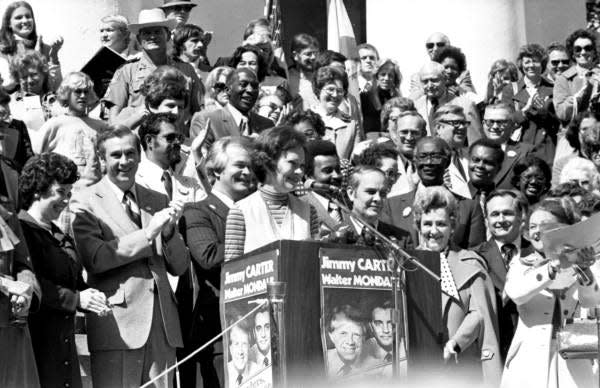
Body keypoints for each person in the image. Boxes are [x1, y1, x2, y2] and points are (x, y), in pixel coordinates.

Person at [70, 127, 189, 388]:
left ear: (139, 156)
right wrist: (149, 234)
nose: (124, 162)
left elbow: (179, 266)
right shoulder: (84, 201)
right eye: (116, 155)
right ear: (102, 160)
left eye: (130, 154)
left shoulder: (157, 199)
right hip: (117, 325)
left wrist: (169, 234)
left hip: (162, 326)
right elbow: (96, 258)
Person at [18, 153, 109, 388]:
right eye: (60, 192)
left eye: (69, 194)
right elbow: (33, 285)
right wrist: (78, 299)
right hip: (36, 345)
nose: (66, 200)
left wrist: (91, 295)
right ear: (38, 189)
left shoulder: (58, 233)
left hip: (63, 347)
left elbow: (73, 280)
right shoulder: (22, 230)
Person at [501, 197, 600, 388]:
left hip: (576, 362)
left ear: (565, 229)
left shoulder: (588, 263)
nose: (537, 231)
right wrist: (554, 265)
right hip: (529, 364)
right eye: (533, 226)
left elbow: (592, 301)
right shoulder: (520, 264)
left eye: (545, 226)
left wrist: (582, 269)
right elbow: (517, 294)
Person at [182, 136, 254, 388]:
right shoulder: (197, 210)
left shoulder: (256, 210)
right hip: (218, 334)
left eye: (251, 166)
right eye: (239, 165)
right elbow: (209, 257)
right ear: (216, 170)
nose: (247, 172)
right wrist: (256, 232)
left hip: (259, 331)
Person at [413, 186, 501, 386]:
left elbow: (479, 314)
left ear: (452, 226)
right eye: (427, 224)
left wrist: (456, 343)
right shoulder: (406, 263)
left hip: (459, 367)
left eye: (441, 224)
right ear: (419, 226)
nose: (433, 231)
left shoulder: (470, 263)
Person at [224, 126, 319, 260]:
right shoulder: (241, 211)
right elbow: (232, 271)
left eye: (302, 166)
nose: (299, 172)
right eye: (292, 163)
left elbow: (315, 264)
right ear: (268, 162)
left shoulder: (309, 212)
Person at [381, 137, 485, 250]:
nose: (429, 162)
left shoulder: (469, 207)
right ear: (415, 161)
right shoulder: (391, 206)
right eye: (423, 156)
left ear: (448, 161)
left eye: (435, 157)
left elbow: (476, 253)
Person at [103, 8, 203, 124]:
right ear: (139, 39)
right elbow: (113, 121)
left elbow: (199, 113)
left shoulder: (186, 70)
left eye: (157, 32)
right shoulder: (126, 71)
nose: (152, 37)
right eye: (147, 33)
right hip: (139, 139)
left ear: (168, 35)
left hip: (177, 138)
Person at [475, 190, 531, 362]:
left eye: (507, 213)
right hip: (495, 349)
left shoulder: (539, 253)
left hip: (533, 346)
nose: (500, 220)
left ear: (521, 216)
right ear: (486, 221)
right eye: (494, 214)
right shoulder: (474, 257)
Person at [0, 154, 41, 388]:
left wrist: (26, 289)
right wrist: (6, 285)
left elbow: (24, 263)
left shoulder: (5, 211)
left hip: (11, 330)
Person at [39, 72, 108, 190]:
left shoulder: (100, 126)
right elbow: (39, 158)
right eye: (77, 91)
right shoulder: (54, 124)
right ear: (67, 93)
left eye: (86, 92)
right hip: (68, 190)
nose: (82, 96)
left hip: (98, 189)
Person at [190, 68, 273, 155]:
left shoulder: (267, 126)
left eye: (255, 86)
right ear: (227, 90)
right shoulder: (206, 120)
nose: (250, 90)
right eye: (243, 84)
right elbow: (202, 162)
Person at [501, 43, 559, 166]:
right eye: (527, 62)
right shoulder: (511, 89)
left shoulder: (553, 88)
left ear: (542, 64)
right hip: (519, 150)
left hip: (546, 151)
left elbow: (558, 122)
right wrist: (524, 112)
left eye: (535, 61)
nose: (531, 65)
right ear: (521, 65)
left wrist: (543, 112)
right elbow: (505, 120)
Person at [136, 113, 205, 204]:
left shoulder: (191, 184)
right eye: (170, 137)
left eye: (179, 138)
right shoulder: (135, 180)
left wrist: (197, 153)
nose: (177, 142)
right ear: (149, 141)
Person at [413, 62, 481, 145]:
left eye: (434, 80)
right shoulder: (416, 107)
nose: (429, 85)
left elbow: (475, 141)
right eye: (425, 81)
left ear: (445, 79)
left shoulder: (465, 105)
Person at [0, 1, 63, 92]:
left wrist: (53, 56)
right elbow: (8, 85)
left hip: (43, 104)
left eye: (28, 16)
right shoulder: (3, 51)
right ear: (9, 24)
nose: (25, 21)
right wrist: (34, 59)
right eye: (18, 18)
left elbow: (57, 89)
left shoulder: (45, 48)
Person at [346, 165, 412, 248]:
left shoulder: (401, 238)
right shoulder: (333, 233)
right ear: (351, 193)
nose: (378, 198)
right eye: (371, 192)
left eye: (383, 193)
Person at [8, 50, 59, 151]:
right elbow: (37, 124)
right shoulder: (15, 103)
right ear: (17, 79)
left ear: (43, 73)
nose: (29, 81)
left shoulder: (54, 95)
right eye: (24, 77)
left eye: (33, 74)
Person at [310, 65, 362, 159]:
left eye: (339, 91)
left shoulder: (351, 123)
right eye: (330, 89)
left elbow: (356, 158)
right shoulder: (306, 119)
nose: (335, 95)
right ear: (318, 91)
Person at [481, 102, 532, 189]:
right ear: (483, 124)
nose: (495, 126)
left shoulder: (526, 152)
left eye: (501, 122)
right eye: (490, 122)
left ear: (512, 125)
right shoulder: (470, 152)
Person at [553, 29, 600, 124]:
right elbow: (562, 114)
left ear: (594, 52)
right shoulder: (564, 79)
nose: (583, 52)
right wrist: (576, 99)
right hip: (574, 133)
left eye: (588, 48)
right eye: (578, 49)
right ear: (573, 54)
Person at [409, 32, 475, 99]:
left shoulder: (462, 74)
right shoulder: (417, 77)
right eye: (430, 45)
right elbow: (413, 99)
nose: (435, 49)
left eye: (440, 45)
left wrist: (458, 91)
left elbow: (469, 95)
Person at [300, 139, 344, 231]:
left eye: (338, 169)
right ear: (309, 176)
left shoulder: (349, 204)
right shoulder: (300, 208)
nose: (336, 176)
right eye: (328, 171)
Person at [433, 104, 471, 198]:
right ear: (439, 128)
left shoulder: (471, 156)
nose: (462, 127)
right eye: (456, 123)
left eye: (464, 123)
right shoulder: (429, 160)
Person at [553, 111, 600, 185]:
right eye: (585, 129)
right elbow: (557, 193)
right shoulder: (562, 164)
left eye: (594, 128)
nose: (590, 133)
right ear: (576, 133)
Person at [387, 110, 427, 196]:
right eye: (404, 132)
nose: (409, 137)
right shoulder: (384, 163)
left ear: (424, 134)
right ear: (395, 134)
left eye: (415, 133)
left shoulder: (433, 162)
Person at [361, 59, 402, 137]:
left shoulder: (398, 101)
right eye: (383, 74)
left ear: (394, 79)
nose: (386, 78)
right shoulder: (365, 97)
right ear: (377, 76)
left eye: (390, 75)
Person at [325, 304, 366, 377]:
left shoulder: (378, 365)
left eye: (356, 334)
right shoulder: (321, 362)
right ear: (331, 336)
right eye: (343, 333)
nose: (350, 342)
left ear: (363, 338)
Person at [0, 87, 33, 172]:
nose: (2, 109)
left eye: (4, 104)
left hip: (17, 179)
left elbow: (28, 157)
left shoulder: (18, 126)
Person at [466, 139, 504, 211]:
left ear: (499, 168)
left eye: (488, 162)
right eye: (476, 160)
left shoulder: (504, 201)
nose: (480, 166)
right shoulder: (453, 197)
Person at [287, 33, 320, 107]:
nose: (313, 57)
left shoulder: (323, 76)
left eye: (316, 53)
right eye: (308, 54)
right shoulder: (286, 80)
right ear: (295, 55)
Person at [227, 322, 258, 387]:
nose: (240, 351)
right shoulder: (224, 373)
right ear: (230, 349)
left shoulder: (258, 371)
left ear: (249, 348)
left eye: (244, 344)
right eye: (236, 344)